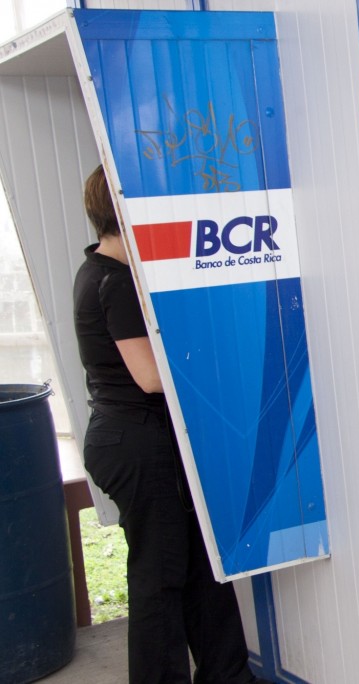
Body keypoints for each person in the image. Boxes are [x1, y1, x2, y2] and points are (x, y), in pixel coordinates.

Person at [73, 164, 270, 684]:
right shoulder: (113, 281)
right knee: (159, 578)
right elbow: (150, 376)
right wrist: (216, 360)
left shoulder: (102, 270)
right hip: (137, 442)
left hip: (141, 439)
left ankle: (228, 674)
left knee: (201, 565)